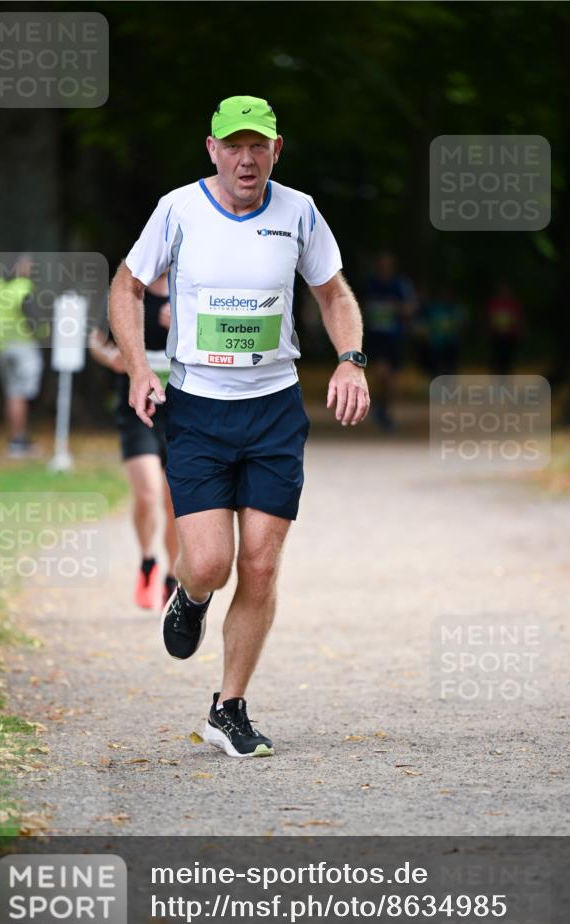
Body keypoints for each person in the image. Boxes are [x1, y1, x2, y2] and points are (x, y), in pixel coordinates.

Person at [109, 95, 369, 758]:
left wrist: (350, 361)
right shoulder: (179, 209)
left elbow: (334, 294)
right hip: (198, 407)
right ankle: (188, 596)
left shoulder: (300, 212)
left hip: (274, 407)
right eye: (234, 145)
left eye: (259, 146)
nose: (246, 158)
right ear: (212, 149)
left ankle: (228, 706)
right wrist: (140, 368)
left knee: (259, 561)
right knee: (209, 562)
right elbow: (126, 286)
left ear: (276, 150)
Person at [89, 273, 179, 610]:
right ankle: (146, 562)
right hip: (136, 408)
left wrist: (182, 327)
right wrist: (111, 356)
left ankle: (172, 577)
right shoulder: (127, 292)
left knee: (174, 501)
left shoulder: (189, 288)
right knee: (147, 493)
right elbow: (95, 339)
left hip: (179, 411)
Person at [0, 254, 43, 457]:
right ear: (19, 267)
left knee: (12, 393)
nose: (31, 269)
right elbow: (31, 314)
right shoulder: (23, 287)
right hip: (22, 346)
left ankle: (16, 438)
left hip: (1, 348)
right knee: (21, 394)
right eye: (29, 265)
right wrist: (42, 333)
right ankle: (19, 441)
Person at [362, 251, 416, 431]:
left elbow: (410, 309)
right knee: (381, 373)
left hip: (395, 337)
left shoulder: (401, 285)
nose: (385, 268)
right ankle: (380, 408)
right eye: (382, 265)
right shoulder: (370, 285)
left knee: (392, 381)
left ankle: (384, 410)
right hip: (376, 338)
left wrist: (398, 309)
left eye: (388, 265)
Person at [484, 280, 526, 375]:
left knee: (508, 361)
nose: (504, 292)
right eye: (502, 289)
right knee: (496, 361)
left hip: (510, 337)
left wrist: (520, 332)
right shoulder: (493, 303)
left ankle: (506, 382)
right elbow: (488, 318)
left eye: (506, 290)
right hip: (496, 336)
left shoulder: (514, 304)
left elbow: (520, 319)